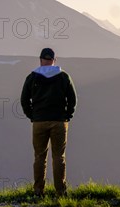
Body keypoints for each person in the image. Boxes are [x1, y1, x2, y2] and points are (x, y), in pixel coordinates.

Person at [20, 48, 77, 197]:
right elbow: (73, 99)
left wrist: (32, 115)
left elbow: (24, 100)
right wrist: (67, 115)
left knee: (39, 156)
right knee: (59, 157)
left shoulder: (32, 77)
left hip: (39, 122)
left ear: (40, 60)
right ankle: (60, 191)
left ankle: (38, 190)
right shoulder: (63, 76)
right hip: (59, 121)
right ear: (54, 60)